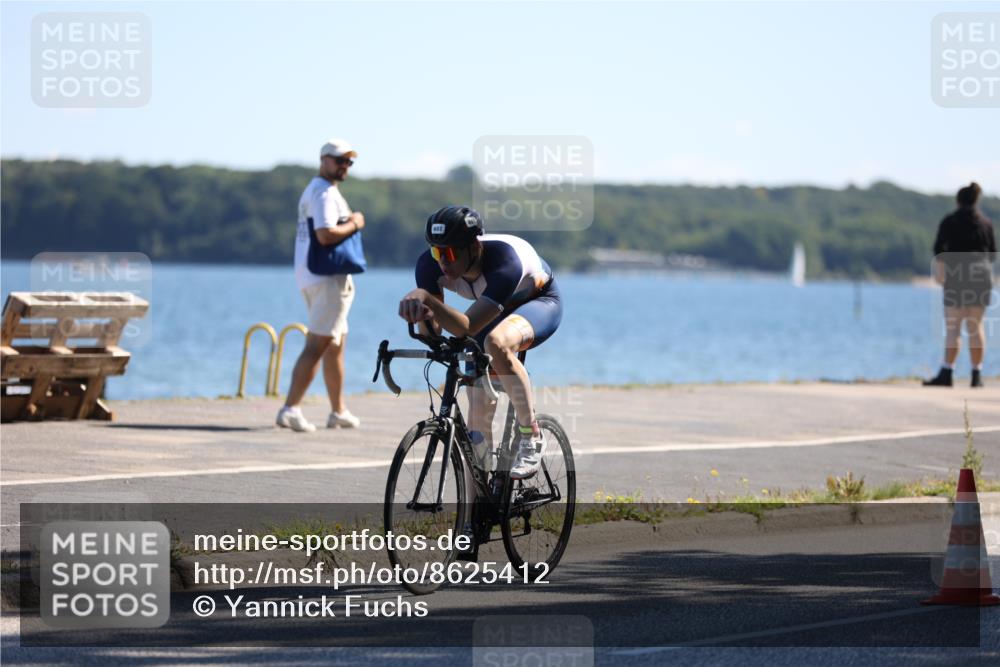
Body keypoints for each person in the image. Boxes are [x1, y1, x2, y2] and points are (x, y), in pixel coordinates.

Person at [398, 206, 562, 479]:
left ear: (473, 247)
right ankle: (477, 512)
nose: (442, 262)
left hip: (538, 302)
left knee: (497, 343)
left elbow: (467, 326)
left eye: (450, 253)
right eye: (437, 252)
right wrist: (424, 317)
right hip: (491, 308)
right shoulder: (428, 265)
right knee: (476, 431)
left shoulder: (504, 262)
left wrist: (425, 298)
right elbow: (436, 332)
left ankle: (530, 436)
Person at [276, 138, 365, 431]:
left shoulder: (314, 190)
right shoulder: (325, 193)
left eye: (349, 161)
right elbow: (326, 234)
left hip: (312, 275)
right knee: (317, 345)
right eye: (339, 160)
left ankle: (337, 410)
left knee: (335, 345)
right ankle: (291, 407)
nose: (344, 166)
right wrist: (355, 222)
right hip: (328, 280)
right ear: (323, 159)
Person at [924, 182, 996, 388]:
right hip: (981, 277)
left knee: (953, 327)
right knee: (976, 326)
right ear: (976, 200)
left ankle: (947, 372)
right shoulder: (986, 223)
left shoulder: (950, 221)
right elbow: (992, 254)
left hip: (957, 276)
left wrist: (940, 275)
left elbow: (939, 250)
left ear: (958, 201)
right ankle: (977, 375)